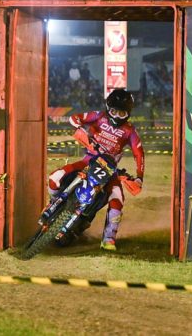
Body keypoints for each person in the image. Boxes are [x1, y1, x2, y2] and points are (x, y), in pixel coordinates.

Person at [47, 89, 145, 251]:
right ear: (108, 108)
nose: (117, 116)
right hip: (88, 161)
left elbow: (139, 153)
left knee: (118, 199)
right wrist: (80, 127)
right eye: (114, 111)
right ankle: (53, 203)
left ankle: (108, 239)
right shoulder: (99, 116)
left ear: (128, 114)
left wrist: (139, 177)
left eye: (122, 113)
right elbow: (74, 118)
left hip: (110, 171)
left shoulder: (130, 130)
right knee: (55, 177)